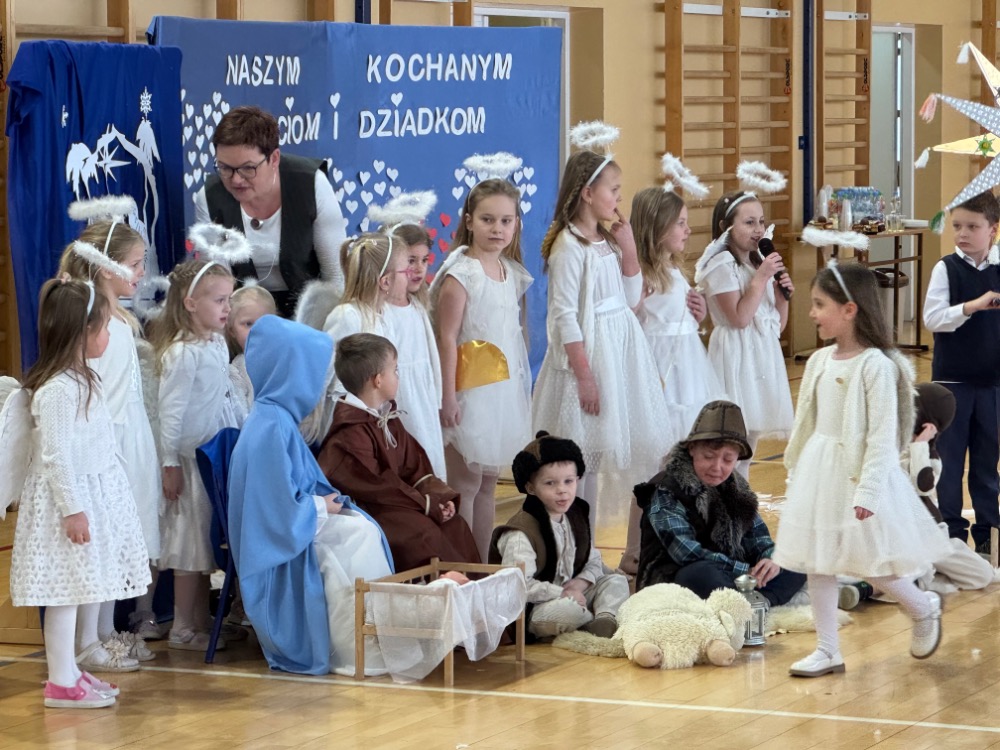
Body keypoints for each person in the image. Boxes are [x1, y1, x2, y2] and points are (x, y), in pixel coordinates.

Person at [773, 263, 953, 677]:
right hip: (821, 470)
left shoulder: (876, 365)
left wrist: (868, 490)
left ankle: (922, 607)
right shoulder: (819, 360)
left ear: (850, 309)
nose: (812, 313)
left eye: (820, 304)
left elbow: (882, 436)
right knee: (818, 560)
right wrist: (796, 470)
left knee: (872, 561)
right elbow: (807, 421)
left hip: (860, 475)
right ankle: (827, 649)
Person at [8, 278, 149, 708]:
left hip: (90, 495)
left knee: (79, 589)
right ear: (80, 332)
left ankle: (70, 671)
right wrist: (73, 509)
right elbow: (56, 456)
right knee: (65, 595)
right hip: (65, 504)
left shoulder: (82, 378)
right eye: (103, 327)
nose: (108, 335)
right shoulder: (57, 390)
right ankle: (59, 681)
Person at [228, 315, 393, 676]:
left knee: (360, 529)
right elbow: (274, 514)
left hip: (301, 524)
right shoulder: (271, 428)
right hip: (279, 545)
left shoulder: (277, 420)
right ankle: (358, 647)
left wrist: (325, 503)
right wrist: (320, 506)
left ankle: (374, 640)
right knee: (358, 537)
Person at [531, 148, 669, 544]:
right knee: (581, 463)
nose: (619, 198)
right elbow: (563, 316)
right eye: (613, 189)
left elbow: (631, 300)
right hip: (589, 363)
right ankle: (576, 548)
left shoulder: (607, 241)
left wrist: (630, 251)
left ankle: (595, 550)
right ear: (588, 193)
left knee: (605, 459)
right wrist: (585, 375)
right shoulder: (568, 247)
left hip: (620, 357)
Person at [58, 218, 160, 661]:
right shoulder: (96, 322)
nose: (141, 273)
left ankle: (103, 633)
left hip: (128, 439)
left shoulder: (118, 319)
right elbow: (90, 395)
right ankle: (89, 641)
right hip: (108, 446)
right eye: (135, 264)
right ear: (106, 267)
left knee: (117, 544)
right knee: (101, 544)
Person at [625, 184, 728, 574]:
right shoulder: (641, 274)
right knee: (651, 465)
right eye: (680, 223)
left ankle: (677, 541)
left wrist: (697, 316)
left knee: (682, 463)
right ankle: (635, 549)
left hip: (689, 373)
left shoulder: (675, 270)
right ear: (658, 226)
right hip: (660, 373)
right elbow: (635, 321)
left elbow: (679, 320)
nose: (687, 230)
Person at [431, 175, 533, 561]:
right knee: (466, 484)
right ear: (469, 221)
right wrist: (447, 396)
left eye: (506, 221)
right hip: (467, 390)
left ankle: (483, 564)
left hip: (499, 392)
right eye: (488, 219)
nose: (497, 229)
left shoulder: (510, 272)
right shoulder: (462, 273)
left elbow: (514, 337)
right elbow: (446, 337)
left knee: (489, 483)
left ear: (516, 223)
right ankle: (463, 564)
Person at [317, 333, 480, 571]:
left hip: (400, 502)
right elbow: (376, 486)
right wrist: (426, 505)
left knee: (455, 525)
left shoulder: (386, 417)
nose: (398, 376)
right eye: (395, 370)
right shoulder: (349, 433)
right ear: (378, 380)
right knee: (423, 536)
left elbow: (414, 466)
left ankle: (468, 592)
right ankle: (439, 592)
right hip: (375, 508)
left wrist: (437, 498)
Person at [149, 259, 241, 651]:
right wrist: (170, 462)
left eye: (229, 300)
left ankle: (202, 622)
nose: (227, 308)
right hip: (189, 460)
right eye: (219, 300)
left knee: (205, 540)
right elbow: (170, 414)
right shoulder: (182, 353)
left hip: (212, 456)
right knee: (189, 543)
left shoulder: (216, 343)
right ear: (190, 303)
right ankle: (183, 628)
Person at [840, 382, 996, 609]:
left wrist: (920, 444)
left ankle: (923, 579)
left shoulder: (930, 456)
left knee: (981, 575)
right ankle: (867, 589)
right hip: (898, 538)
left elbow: (922, 485)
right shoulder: (886, 445)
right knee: (906, 574)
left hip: (930, 538)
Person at [634, 400, 805, 606]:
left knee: (796, 560)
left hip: (730, 574)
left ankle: (759, 602)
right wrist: (745, 571)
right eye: (709, 456)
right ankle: (745, 600)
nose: (717, 467)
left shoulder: (737, 489)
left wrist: (771, 559)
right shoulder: (666, 489)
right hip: (678, 576)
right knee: (700, 574)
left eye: (727, 460)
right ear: (692, 449)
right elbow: (687, 554)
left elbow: (758, 538)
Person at [193, 105, 347, 316]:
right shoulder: (209, 198)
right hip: (242, 315)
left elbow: (336, 277)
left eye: (248, 168)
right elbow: (217, 287)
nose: (236, 179)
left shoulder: (313, 185)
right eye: (225, 168)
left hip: (312, 310)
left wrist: (325, 328)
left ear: (274, 159)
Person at [489, 432, 629, 639]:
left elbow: (592, 560)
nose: (562, 490)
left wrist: (581, 583)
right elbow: (518, 586)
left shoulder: (575, 516)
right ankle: (592, 619)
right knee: (568, 611)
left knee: (616, 581)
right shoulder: (521, 533)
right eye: (550, 483)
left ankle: (604, 620)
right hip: (538, 607)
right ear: (530, 488)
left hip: (575, 593)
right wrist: (561, 593)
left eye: (568, 481)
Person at [694, 191, 794, 479]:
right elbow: (739, 318)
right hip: (736, 357)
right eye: (749, 222)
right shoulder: (721, 265)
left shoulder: (755, 263)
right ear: (726, 226)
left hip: (761, 355)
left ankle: (741, 499)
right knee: (731, 442)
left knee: (748, 447)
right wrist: (761, 279)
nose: (759, 229)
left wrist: (781, 297)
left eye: (761, 221)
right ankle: (725, 499)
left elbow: (775, 326)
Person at [922, 190, 1000, 557]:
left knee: (987, 465)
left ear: (993, 229)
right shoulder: (946, 269)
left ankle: (988, 538)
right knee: (949, 467)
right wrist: (972, 306)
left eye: (972, 226)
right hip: (951, 385)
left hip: (993, 383)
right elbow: (933, 318)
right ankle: (952, 538)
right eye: (957, 226)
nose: (962, 233)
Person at [380, 222, 447, 480]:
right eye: (411, 260)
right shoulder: (383, 311)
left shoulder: (418, 307)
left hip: (423, 399)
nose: (419, 268)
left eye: (424, 260)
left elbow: (430, 361)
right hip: (400, 399)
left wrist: (437, 398)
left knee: (429, 461)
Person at [224, 284, 277, 424]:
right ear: (232, 330)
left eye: (265, 322)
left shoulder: (285, 358)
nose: (258, 329)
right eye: (248, 324)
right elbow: (239, 412)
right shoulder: (236, 370)